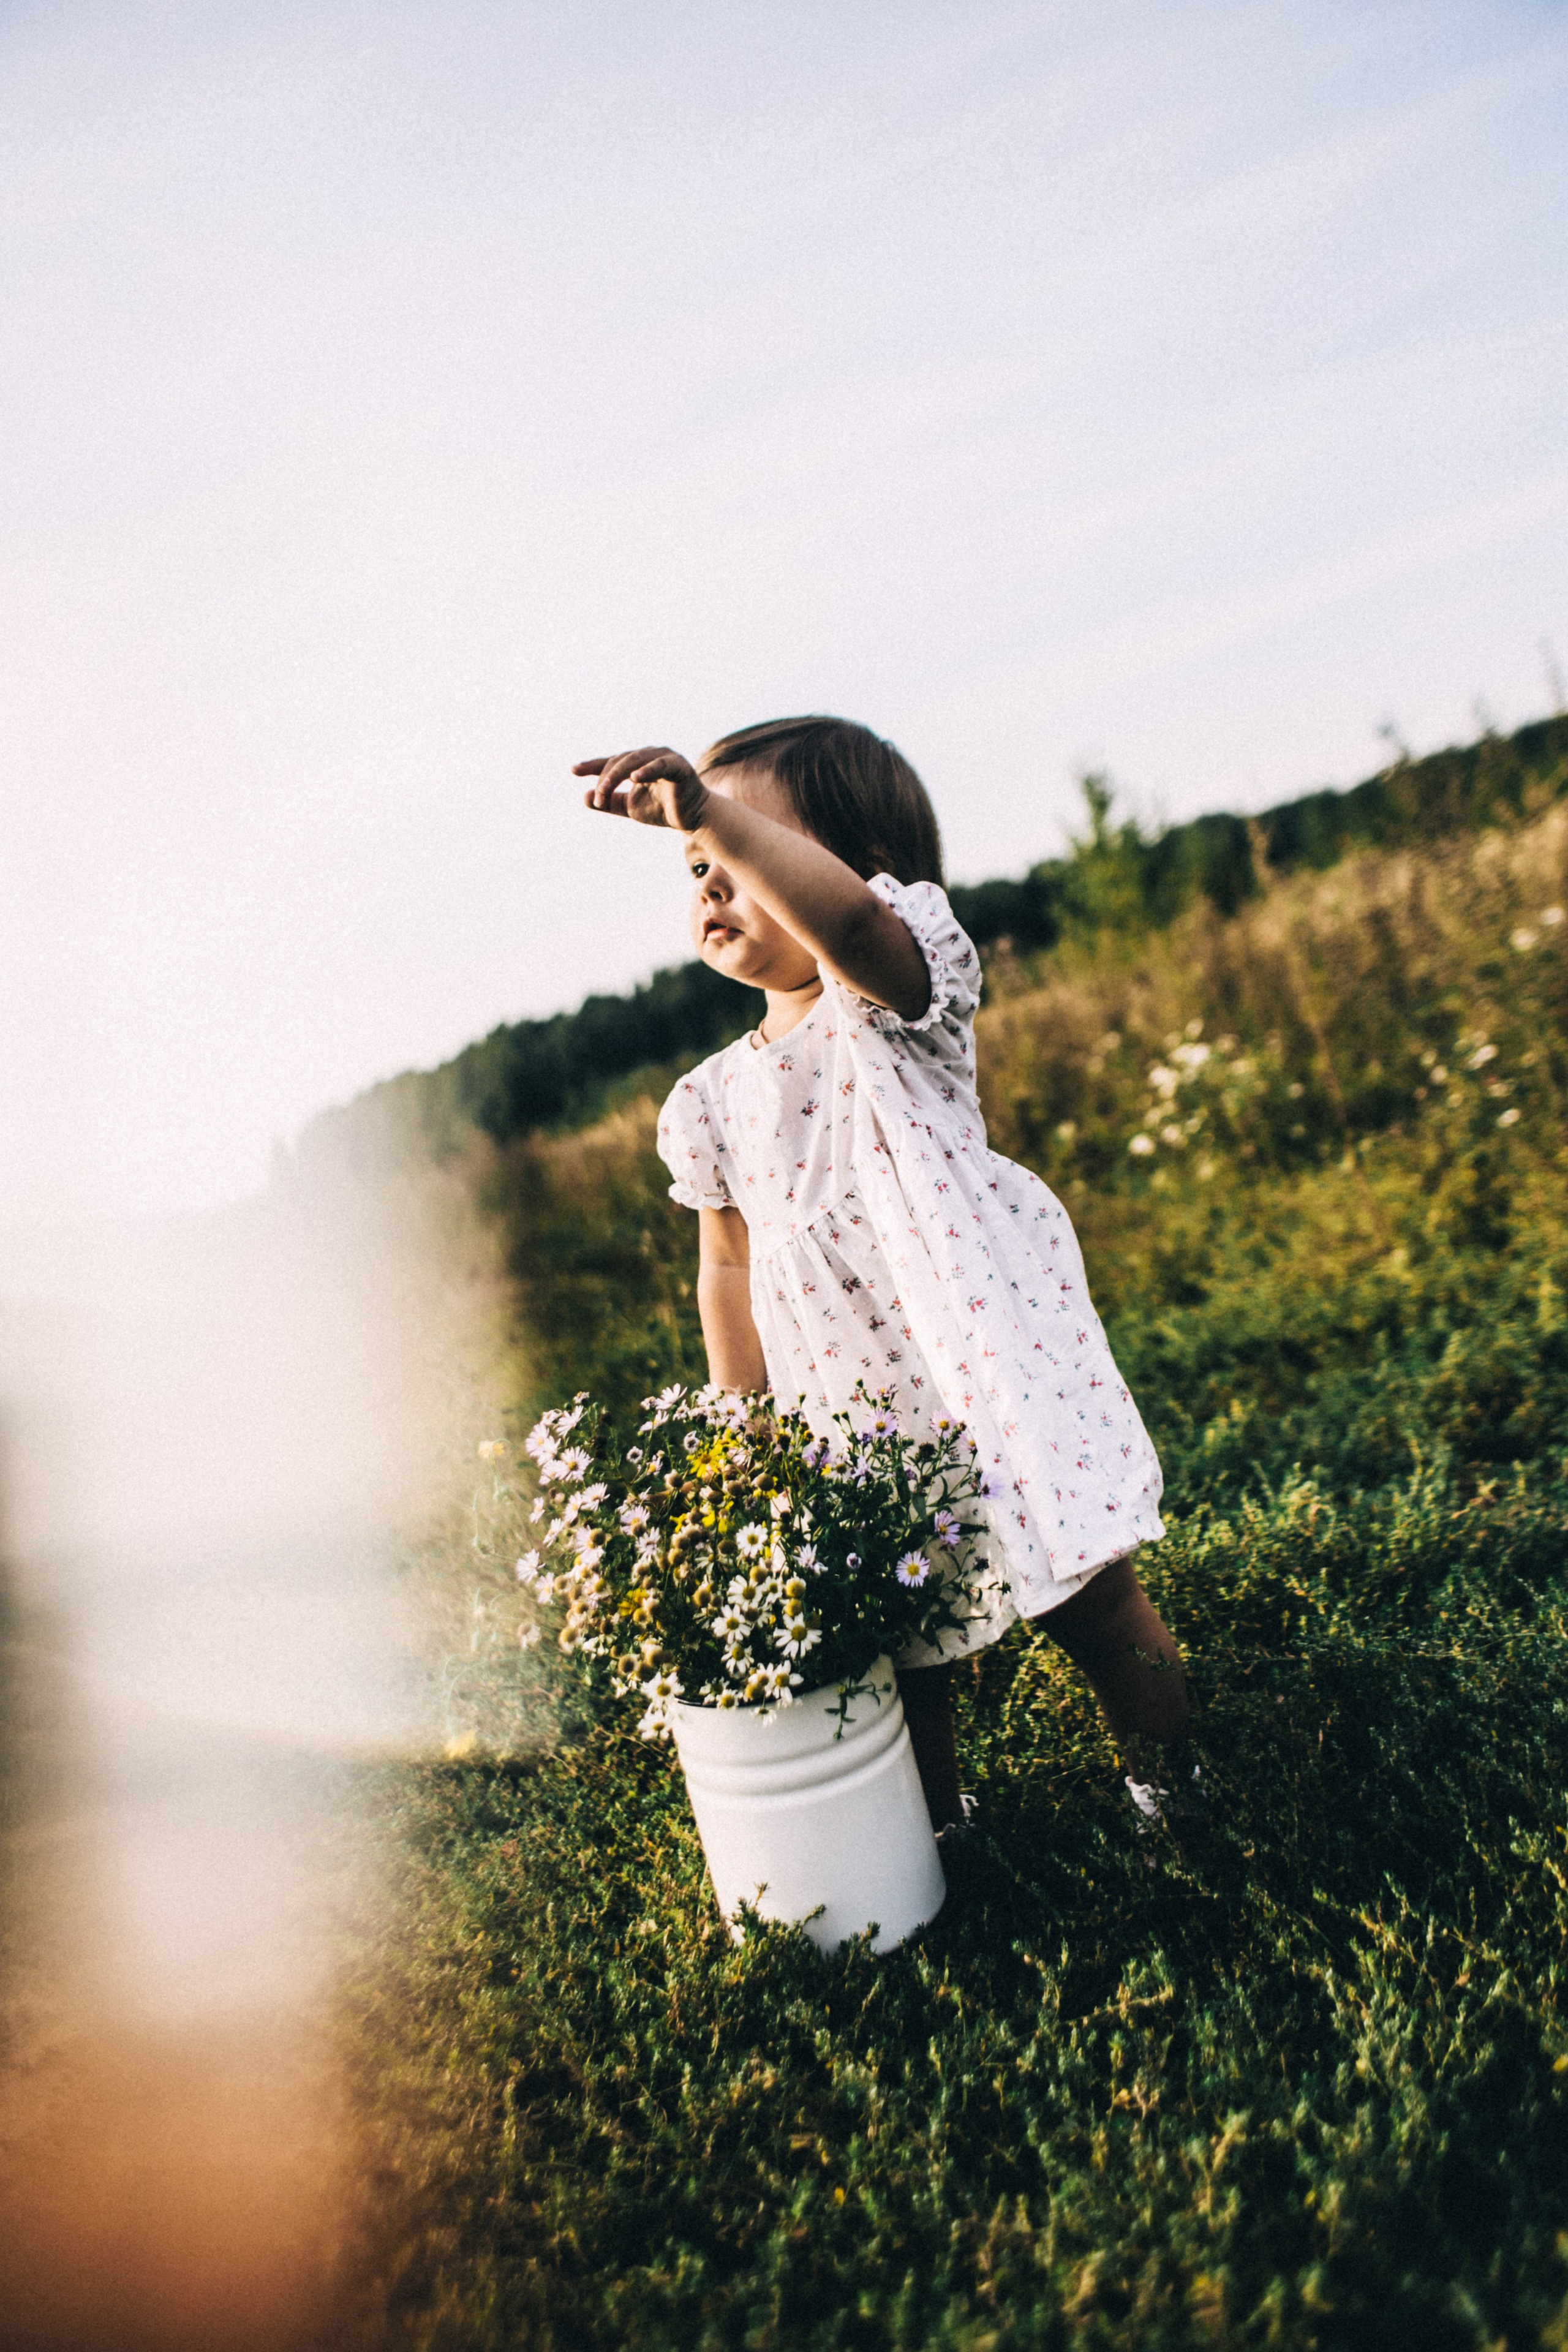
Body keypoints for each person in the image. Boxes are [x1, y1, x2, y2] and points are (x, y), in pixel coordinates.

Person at [573, 716, 1199, 1838]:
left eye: (744, 847)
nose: (713, 874)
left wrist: (711, 809)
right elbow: (727, 1263)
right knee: (897, 1634)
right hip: (846, 1399)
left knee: (1089, 1595)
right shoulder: (708, 1100)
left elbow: (853, 924)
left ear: (854, 868)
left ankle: (1177, 1785)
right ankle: (934, 1824)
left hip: (980, 1363)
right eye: (696, 863)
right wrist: (741, 1421)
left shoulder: (902, 998)